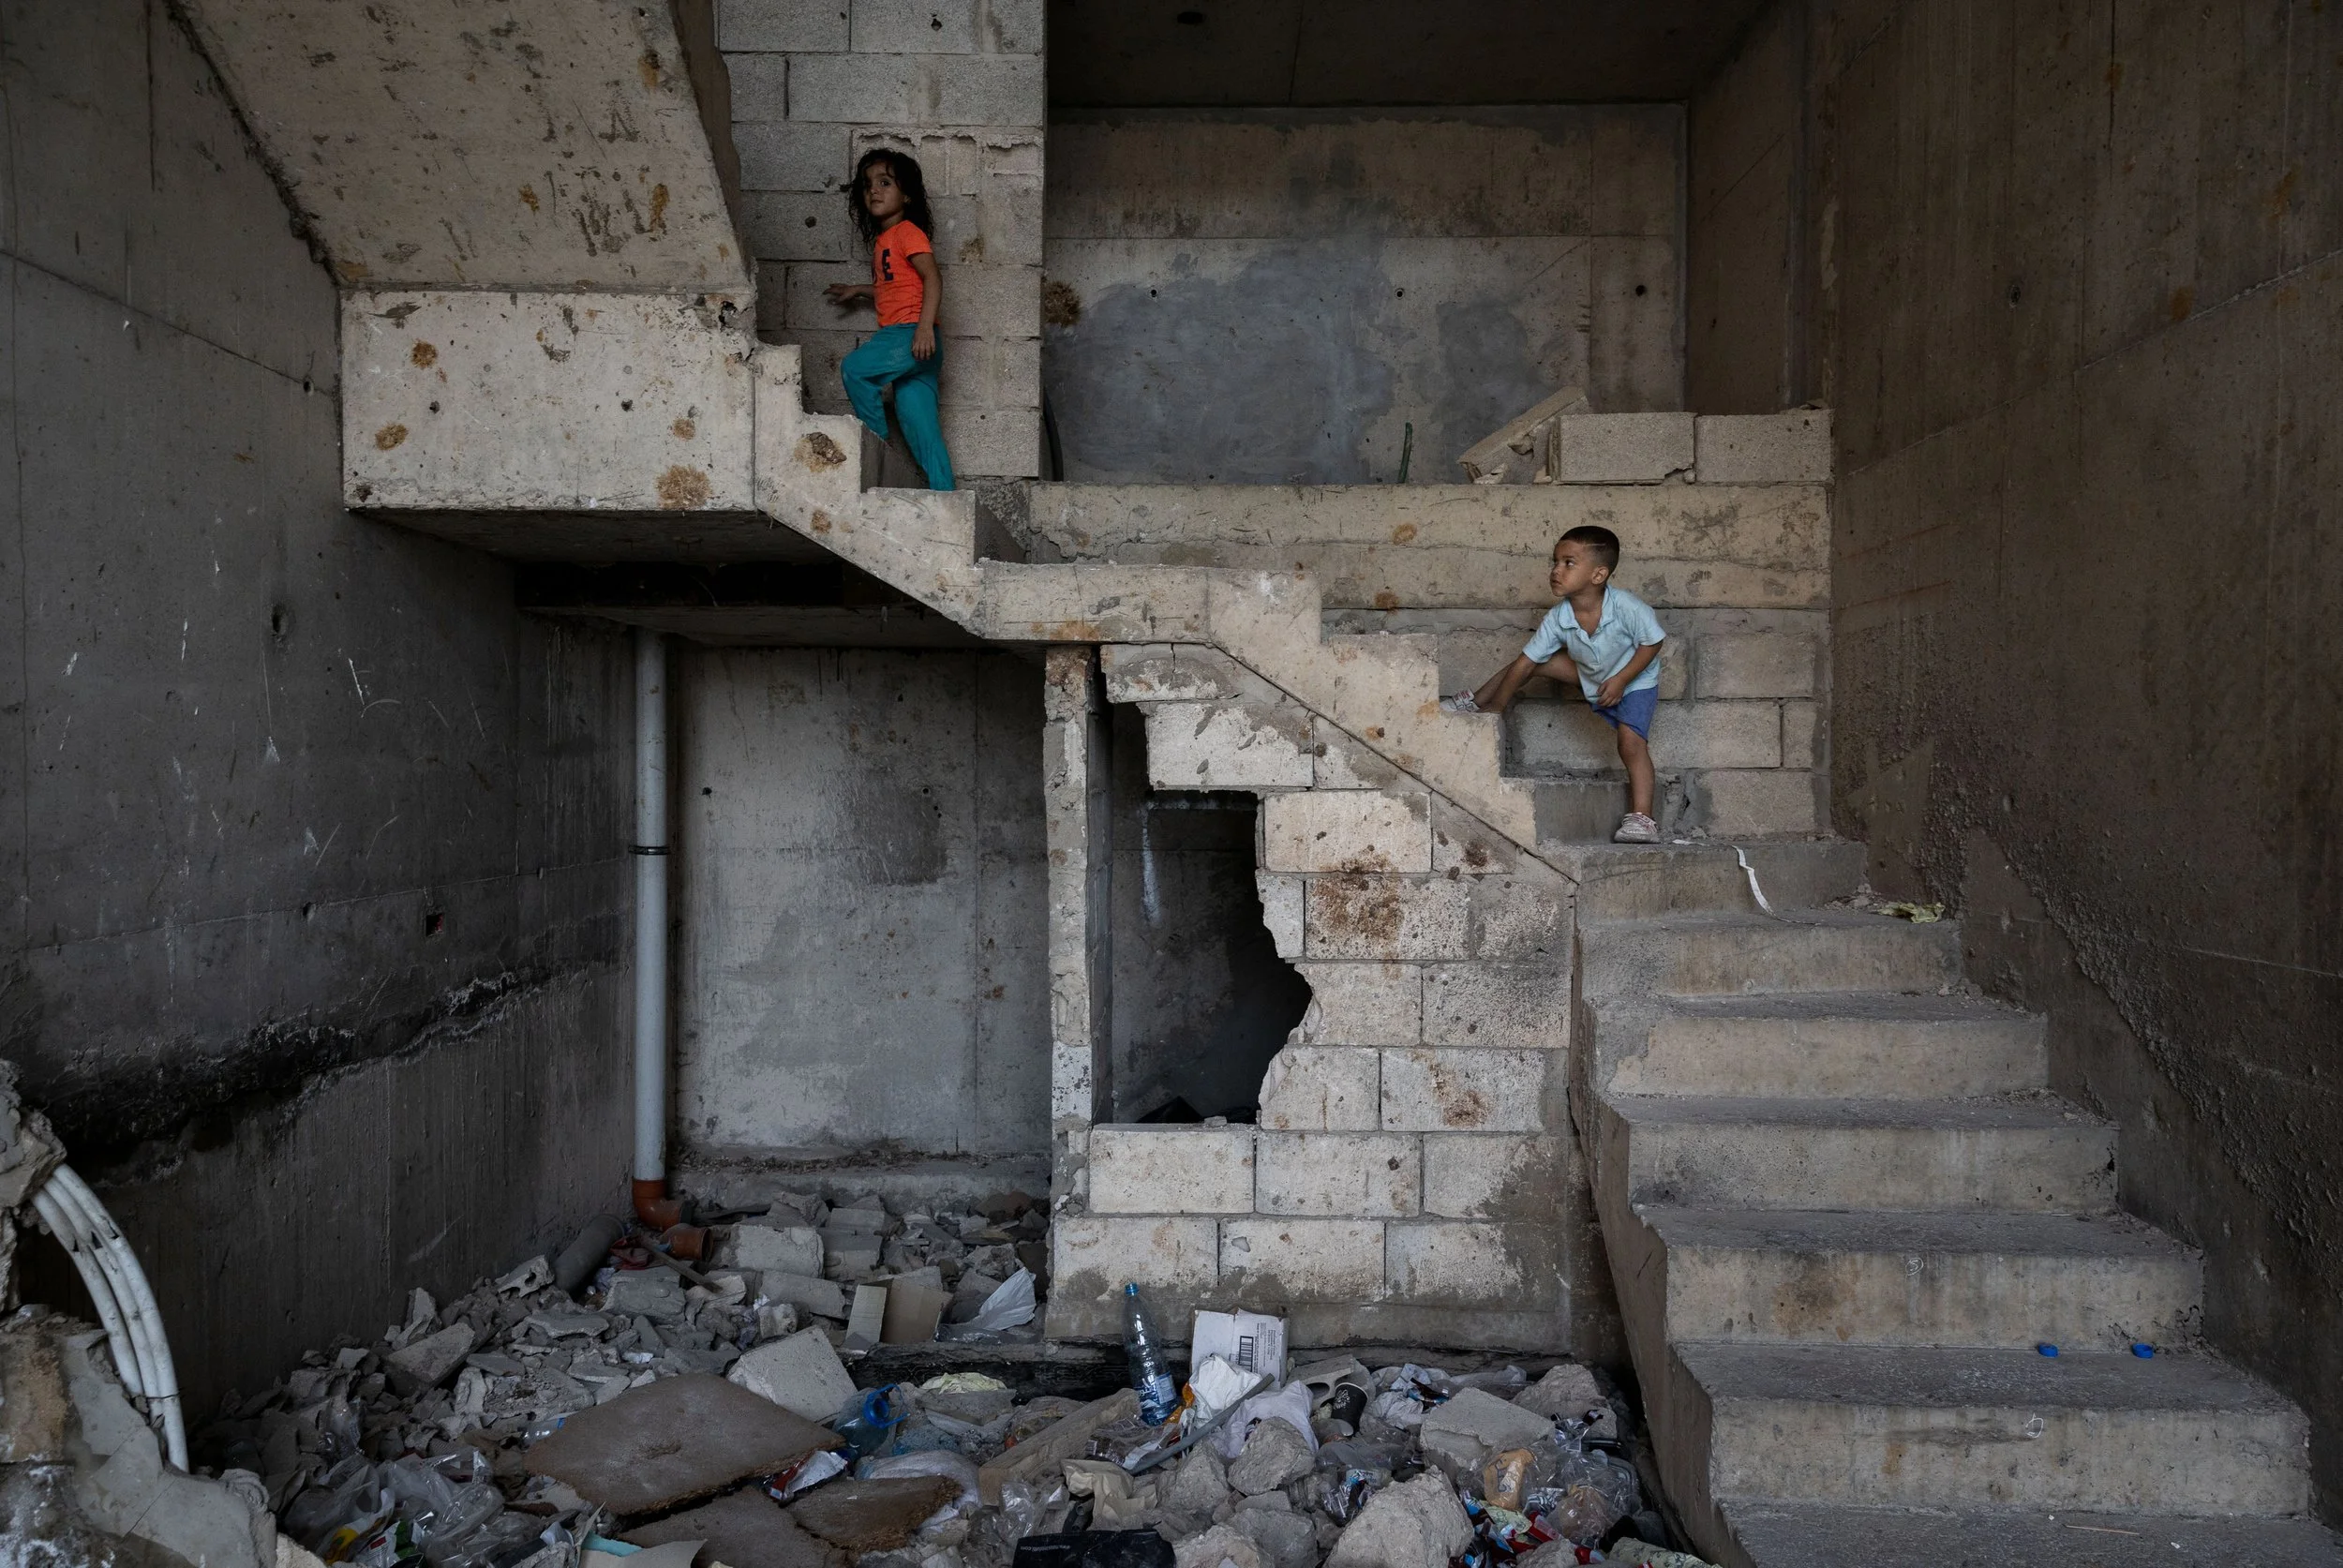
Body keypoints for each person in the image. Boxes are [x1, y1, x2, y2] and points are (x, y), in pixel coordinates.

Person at [1443, 525, 1667, 844]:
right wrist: (1498, 707)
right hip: (1591, 673)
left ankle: (1643, 819)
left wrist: (1621, 680)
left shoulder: (1627, 607)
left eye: (1569, 563)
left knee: (1629, 743)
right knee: (1531, 663)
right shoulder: (1558, 617)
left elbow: (1652, 644)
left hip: (1634, 679)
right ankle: (1478, 701)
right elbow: (1525, 662)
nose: (1556, 570)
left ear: (1598, 575)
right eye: (1555, 562)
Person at [826, 150, 954, 490]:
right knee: (922, 433)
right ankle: (947, 498)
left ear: (907, 194)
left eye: (885, 183)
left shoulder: (908, 232)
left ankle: (875, 446)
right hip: (919, 349)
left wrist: (924, 328)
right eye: (868, 185)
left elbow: (933, 278)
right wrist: (859, 290)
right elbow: (894, 288)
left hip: (910, 335)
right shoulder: (886, 241)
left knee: (855, 369)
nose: (874, 191)